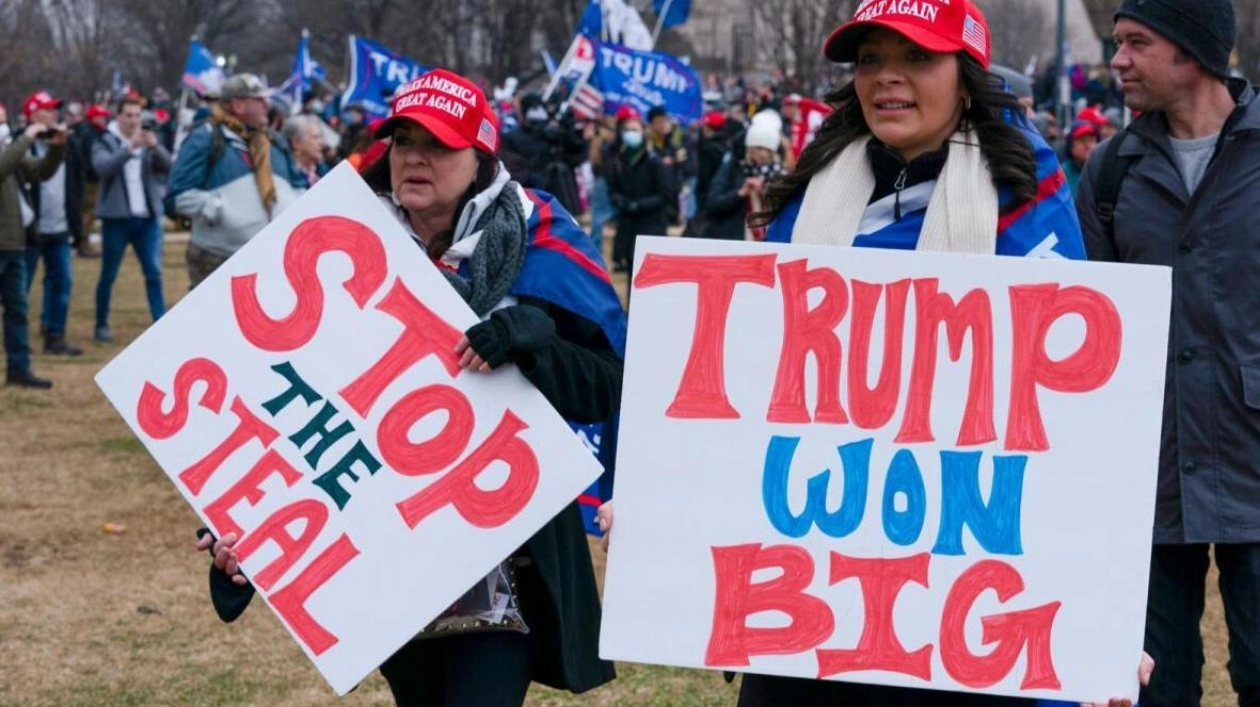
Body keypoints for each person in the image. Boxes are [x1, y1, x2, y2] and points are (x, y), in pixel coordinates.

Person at [599, 1, 1150, 705]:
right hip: (807, 614)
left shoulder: (1026, 202)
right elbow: (747, 390)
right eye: (870, 61)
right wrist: (663, 502)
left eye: (916, 57)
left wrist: (1090, 627)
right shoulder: (814, 194)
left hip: (952, 618)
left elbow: (1067, 433)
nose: (887, 79)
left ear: (967, 72)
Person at [195, 68, 626, 707]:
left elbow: (609, 387)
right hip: (386, 555)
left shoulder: (542, 242)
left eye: (439, 144)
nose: (415, 157)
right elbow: (279, 403)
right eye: (402, 140)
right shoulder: (332, 245)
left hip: (506, 560)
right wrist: (240, 529)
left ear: (479, 156)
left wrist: (533, 345)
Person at [1076, 1, 1260, 706]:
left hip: (1252, 462)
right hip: (1148, 478)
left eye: (1135, 43)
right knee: (1154, 685)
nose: (1116, 60)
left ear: (1193, 52)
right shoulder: (1112, 171)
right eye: (1117, 42)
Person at [165, 73, 303, 290]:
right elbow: (177, 196)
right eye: (258, 100)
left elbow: (298, 186)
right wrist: (219, 208)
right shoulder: (205, 137)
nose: (267, 105)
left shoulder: (275, 141)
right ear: (238, 105)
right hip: (219, 257)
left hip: (273, 256)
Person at [91, 96, 171, 343]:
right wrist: (128, 149)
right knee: (109, 273)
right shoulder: (105, 140)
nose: (134, 120)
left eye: (137, 115)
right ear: (118, 116)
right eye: (129, 115)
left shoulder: (147, 139)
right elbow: (102, 168)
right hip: (116, 218)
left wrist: (155, 147)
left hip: (146, 218)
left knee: (154, 271)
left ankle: (161, 321)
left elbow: (170, 166)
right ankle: (101, 323)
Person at [0, 116, 64, 389]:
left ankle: (19, 368)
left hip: (15, 244)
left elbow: (40, 171)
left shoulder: (9, 153)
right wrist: (26, 138)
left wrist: (57, 148)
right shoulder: (9, 155)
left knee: (17, 310)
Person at [21, 91, 84, 355]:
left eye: (54, 109)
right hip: (30, 229)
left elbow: (78, 181)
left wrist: (76, 223)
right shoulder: (20, 144)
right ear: (33, 115)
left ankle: (54, 334)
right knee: (20, 287)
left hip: (59, 226)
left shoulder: (66, 143)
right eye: (47, 109)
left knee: (62, 282)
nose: (54, 114)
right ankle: (17, 338)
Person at [702, 116, 786, 241]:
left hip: (768, 240)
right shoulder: (733, 168)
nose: (763, 154)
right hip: (733, 238)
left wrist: (768, 194)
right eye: (759, 148)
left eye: (768, 150)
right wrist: (740, 193)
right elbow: (712, 204)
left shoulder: (780, 174)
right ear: (750, 149)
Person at [607, 114, 671, 276]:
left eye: (634, 129)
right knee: (631, 269)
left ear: (643, 132)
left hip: (651, 223)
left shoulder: (654, 159)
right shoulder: (619, 160)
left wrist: (640, 205)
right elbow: (613, 188)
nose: (630, 133)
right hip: (628, 224)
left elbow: (665, 193)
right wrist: (619, 200)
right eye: (627, 130)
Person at [282, 114, 329, 188]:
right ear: (296, 143)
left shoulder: (324, 170)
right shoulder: (285, 173)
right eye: (315, 137)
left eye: (320, 137)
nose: (321, 143)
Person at [1061, 120, 1100, 194]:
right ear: (1071, 146)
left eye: (1091, 141)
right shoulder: (1062, 174)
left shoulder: (1103, 170)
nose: (1088, 146)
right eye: (1082, 141)